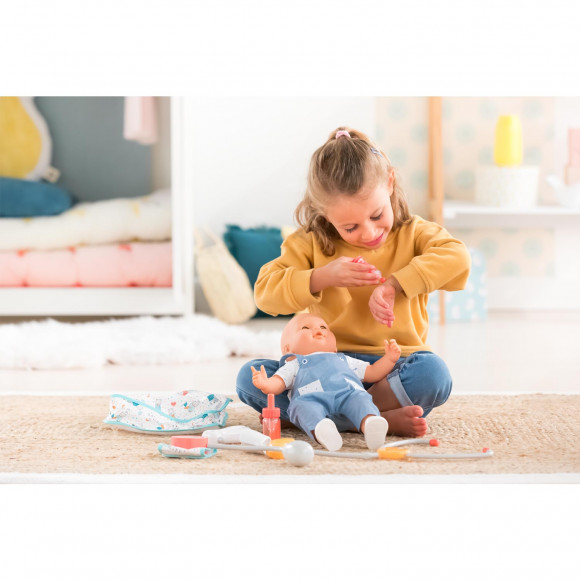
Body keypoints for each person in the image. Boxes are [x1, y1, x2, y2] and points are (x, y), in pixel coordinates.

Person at [236, 126, 471, 438]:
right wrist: (322, 276)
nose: (369, 233)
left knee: (433, 374)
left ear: (389, 182)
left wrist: (395, 285)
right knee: (248, 378)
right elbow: (265, 293)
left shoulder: (414, 233)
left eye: (376, 216)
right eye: (350, 227)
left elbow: (457, 258)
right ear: (325, 213)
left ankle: (331, 417)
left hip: (392, 369)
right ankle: (375, 420)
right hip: (320, 369)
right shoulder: (309, 242)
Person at [251, 313, 400, 451]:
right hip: (311, 397)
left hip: (348, 392)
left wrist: (390, 359)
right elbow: (278, 384)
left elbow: (372, 372)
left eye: (323, 327)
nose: (318, 330)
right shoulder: (294, 364)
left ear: (335, 347)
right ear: (288, 350)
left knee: (361, 400)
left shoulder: (344, 359)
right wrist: (265, 384)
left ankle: (370, 423)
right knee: (302, 408)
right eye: (305, 328)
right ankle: (322, 429)